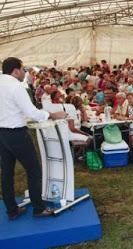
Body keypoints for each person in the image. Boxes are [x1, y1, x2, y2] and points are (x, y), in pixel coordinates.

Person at [0, 57, 66, 219]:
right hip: (16, 134)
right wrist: (53, 115)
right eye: (23, 69)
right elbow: (32, 112)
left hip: (2, 133)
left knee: (7, 173)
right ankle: (38, 209)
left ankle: (12, 210)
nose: (25, 73)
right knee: (34, 170)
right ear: (15, 71)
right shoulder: (16, 86)